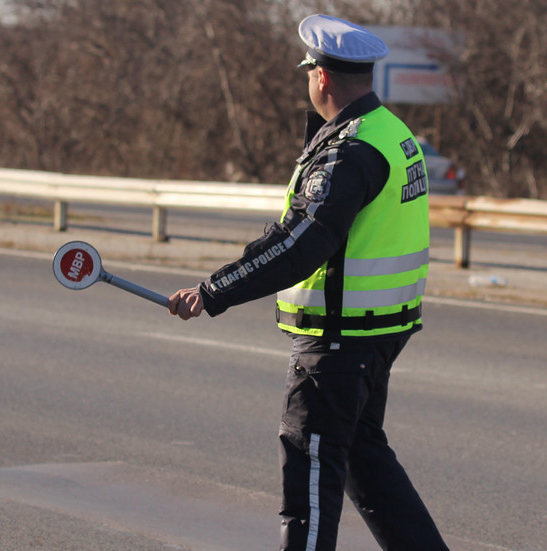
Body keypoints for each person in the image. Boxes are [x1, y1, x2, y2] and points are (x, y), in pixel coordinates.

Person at [168, 14, 449, 551]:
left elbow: (298, 245)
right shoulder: (393, 132)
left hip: (337, 343)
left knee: (312, 479)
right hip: (377, 331)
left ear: (320, 76)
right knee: (365, 460)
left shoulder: (349, 149)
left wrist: (211, 292)